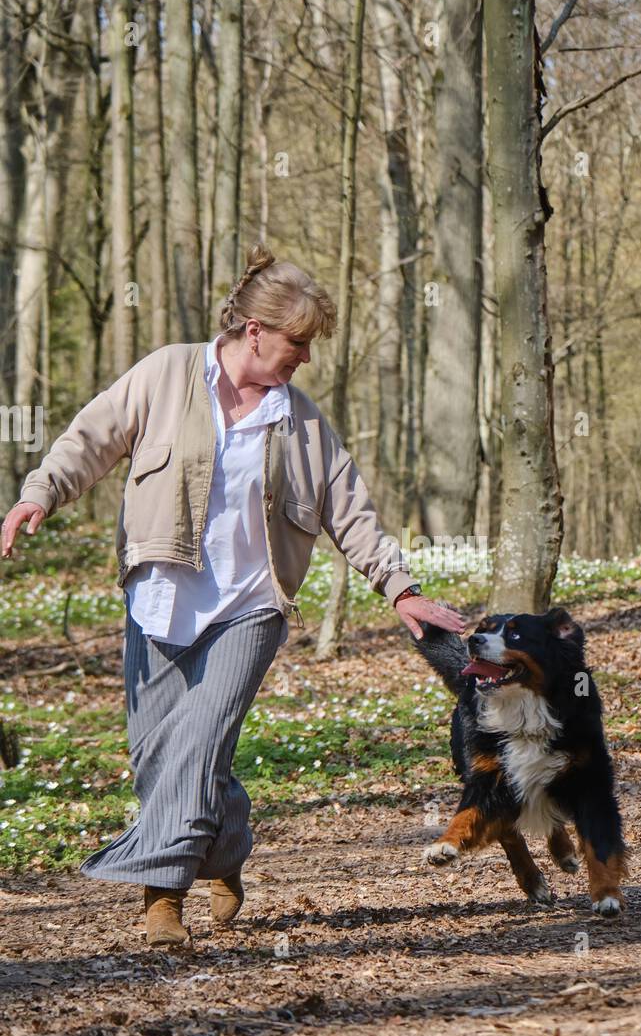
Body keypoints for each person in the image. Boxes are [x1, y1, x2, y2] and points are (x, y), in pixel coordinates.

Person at [1, 246, 467, 947]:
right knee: (158, 754)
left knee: (199, 735)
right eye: (297, 343)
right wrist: (38, 493)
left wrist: (400, 590)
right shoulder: (166, 374)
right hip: (159, 597)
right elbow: (90, 437)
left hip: (251, 604)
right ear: (255, 330)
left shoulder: (301, 421)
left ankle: (162, 897)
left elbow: (351, 509)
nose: (304, 358)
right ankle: (226, 848)